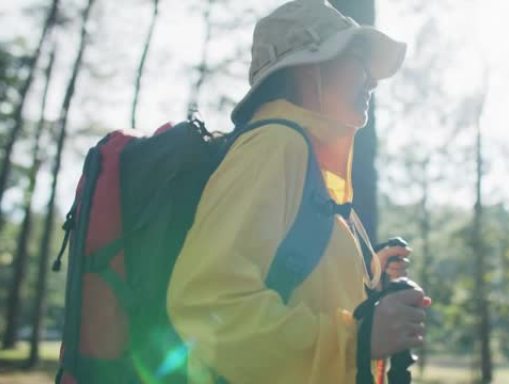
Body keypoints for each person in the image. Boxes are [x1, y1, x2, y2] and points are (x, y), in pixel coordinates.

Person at [166, 1, 431, 383]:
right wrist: (357, 339)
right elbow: (207, 302)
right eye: (359, 59)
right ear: (311, 67)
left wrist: (373, 277)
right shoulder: (275, 144)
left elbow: (300, 292)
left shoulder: (315, 171)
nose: (372, 81)